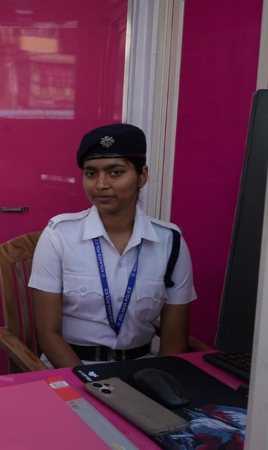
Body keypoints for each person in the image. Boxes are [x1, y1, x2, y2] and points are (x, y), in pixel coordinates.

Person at [29, 124, 196, 368]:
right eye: (91, 173)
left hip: (141, 368)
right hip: (71, 367)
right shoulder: (59, 236)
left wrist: (158, 382)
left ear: (142, 176)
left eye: (115, 172)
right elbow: (48, 336)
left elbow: (174, 341)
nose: (101, 184)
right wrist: (89, 382)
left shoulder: (171, 243)